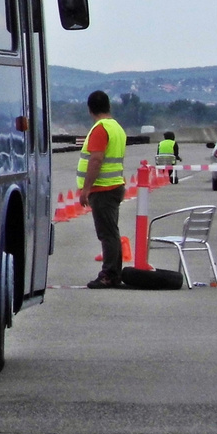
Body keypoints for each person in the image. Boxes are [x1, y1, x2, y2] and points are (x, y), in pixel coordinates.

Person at [78, 91, 127, 288]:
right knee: (111, 232)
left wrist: (86, 189)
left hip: (103, 189)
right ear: (108, 106)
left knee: (107, 234)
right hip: (114, 185)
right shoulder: (116, 127)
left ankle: (109, 274)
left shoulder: (100, 129)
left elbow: (96, 159)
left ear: (90, 109)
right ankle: (114, 273)